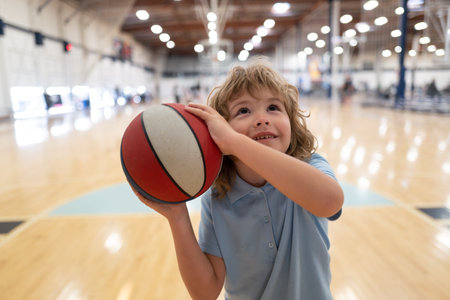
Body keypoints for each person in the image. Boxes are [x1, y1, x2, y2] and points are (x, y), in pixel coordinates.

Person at [131, 58, 344, 300]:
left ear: (292, 122)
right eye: (243, 111)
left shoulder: (311, 166)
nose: (262, 119)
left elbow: (330, 201)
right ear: (219, 130)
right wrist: (177, 217)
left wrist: (234, 141)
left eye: (274, 107)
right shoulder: (218, 196)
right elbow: (205, 292)